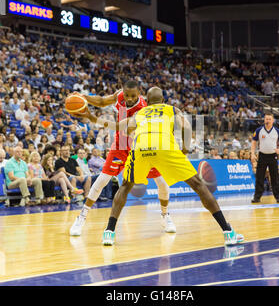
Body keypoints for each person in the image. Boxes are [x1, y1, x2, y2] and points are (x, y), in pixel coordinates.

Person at [99, 87, 244, 246]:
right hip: (165, 147)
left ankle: (109, 232)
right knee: (198, 185)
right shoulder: (171, 109)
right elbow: (186, 127)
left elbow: (124, 128)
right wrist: (185, 148)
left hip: (141, 148)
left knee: (125, 186)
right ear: (162, 100)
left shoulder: (140, 113)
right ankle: (227, 231)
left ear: (146, 102)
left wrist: (92, 118)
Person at [69, 81, 175, 236]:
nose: (129, 99)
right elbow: (102, 101)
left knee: (163, 184)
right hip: (120, 147)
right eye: (127, 95)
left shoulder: (143, 109)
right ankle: (81, 217)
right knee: (101, 180)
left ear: (139, 93)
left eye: (133, 96)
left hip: (140, 149)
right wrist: (83, 97)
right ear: (123, 92)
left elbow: (123, 126)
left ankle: (165, 216)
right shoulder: (119, 96)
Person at [251, 112, 279, 203]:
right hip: (262, 155)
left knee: (274, 177)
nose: (268, 121)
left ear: (273, 120)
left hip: (273, 156)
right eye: (266, 119)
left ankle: (278, 196)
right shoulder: (259, 130)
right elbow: (254, 142)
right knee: (259, 177)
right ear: (264, 120)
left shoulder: (277, 131)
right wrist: (252, 153)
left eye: (269, 119)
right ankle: (257, 197)